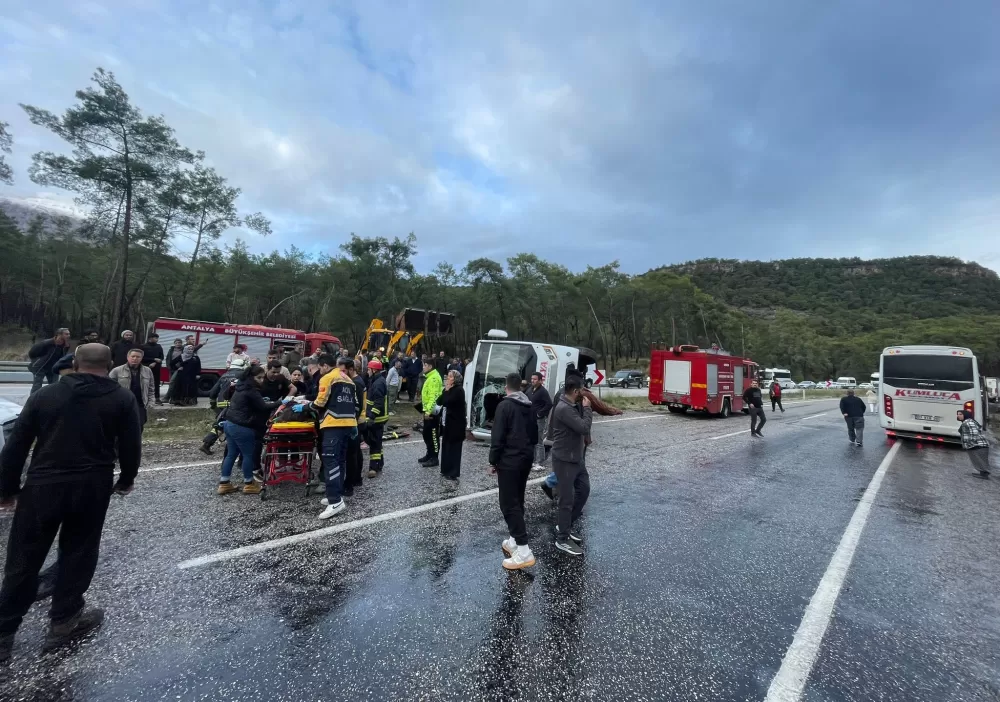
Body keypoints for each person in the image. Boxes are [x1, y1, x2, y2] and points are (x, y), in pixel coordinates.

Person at [0, 343, 141, 662]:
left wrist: (7, 489)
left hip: (43, 485)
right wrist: (127, 478)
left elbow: (16, 445)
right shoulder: (121, 398)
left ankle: (4, 630)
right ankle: (64, 621)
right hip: (92, 486)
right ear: (110, 364)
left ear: (75, 363)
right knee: (78, 552)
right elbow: (131, 444)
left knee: (23, 557)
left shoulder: (45, 395)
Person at [489, 372, 538, 570]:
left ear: (506, 387)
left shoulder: (505, 406)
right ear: (521, 387)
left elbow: (497, 437)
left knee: (508, 504)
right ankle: (514, 540)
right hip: (526, 458)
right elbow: (535, 435)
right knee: (518, 499)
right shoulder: (529, 405)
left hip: (509, 460)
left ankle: (524, 551)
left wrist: (493, 461)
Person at [300, 354, 358, 519]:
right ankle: (337, 494)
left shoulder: (327, 378)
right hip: (348, 424)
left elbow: (320, 402)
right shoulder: (348, 379)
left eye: (320, 368)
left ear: (324, 365)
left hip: (333, 424)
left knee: (330, 461)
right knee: (340, 461)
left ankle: (335, 501)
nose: (320, 371)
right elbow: (354, 403)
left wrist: (305, 407)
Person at [216, 365, 282, 495]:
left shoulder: (240, 387)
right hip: (242, 426)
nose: (262, 380)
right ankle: (249, 483)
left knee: (231, 454)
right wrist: (281, 402)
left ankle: (224, 483)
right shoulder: (251, 390)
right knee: (248, 455)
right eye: (259, 378)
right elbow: (263, 407)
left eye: (263, 377)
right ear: (251, 377)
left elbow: (250, 403)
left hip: (229, 424)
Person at [549, 374, 593, 556]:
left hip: (576, 458)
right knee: (566, 500)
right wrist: (588, 409)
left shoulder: (572, 404)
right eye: (581, 389)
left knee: (584, 490)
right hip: (565, 460)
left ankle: (565, 525)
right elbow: (583, 428)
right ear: (575, 391)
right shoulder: (564, 408)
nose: (583, 392)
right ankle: (562, 539)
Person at [202, 359, 246, 455]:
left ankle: (207, 443)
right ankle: (208, 444)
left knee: (221, 423)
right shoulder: (243, 375)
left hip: (222, 403)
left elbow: (213, 392)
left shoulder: (224, 375)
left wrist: (213, 403)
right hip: (233, 403)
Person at [109, 348, 154, 431]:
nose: (135, 358)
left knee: (139, 427)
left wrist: (151, 402)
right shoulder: (117, 370)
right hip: (123, 404)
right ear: (128, 357)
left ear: (141, 358)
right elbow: (109, 387)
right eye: (133, 356)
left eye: (138, 357)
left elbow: (151, 388)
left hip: (140, 404)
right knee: (122, 427)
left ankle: (137, 440)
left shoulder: (147, 371)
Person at [436, 369, 467, 481]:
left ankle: (453, 472)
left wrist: (447, 391)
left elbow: (448, 402)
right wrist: (445, 390)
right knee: (446, 447)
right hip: (446, 423)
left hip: (456, 424)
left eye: (450, 377)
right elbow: (439, 401)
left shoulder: (459, 390)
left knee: (454, 449)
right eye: (448, 376)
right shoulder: (448, 389)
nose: (447, 378)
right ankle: (445, 469)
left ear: (455, 379)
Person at [364, 359, 389, 479]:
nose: (367, 371)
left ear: (374, 370)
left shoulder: (378, 383)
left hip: (377, 419)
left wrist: (371, 417)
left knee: (374, 443)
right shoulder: (376, 380)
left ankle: (373, 468)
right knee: (377, 442)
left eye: (369, 369)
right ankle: (379, 463)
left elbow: (378, 403)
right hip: (377, 417)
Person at [28, 328, 71, 395]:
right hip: (40, 367)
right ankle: (33, 398)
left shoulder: (66, 345)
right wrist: (37, 362)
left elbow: (62, 356)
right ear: (59, 335)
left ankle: (53, 399)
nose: (68, 335)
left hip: (53, 367)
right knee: (37, 385)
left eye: (69, 334)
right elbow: (32, 353)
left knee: (54, 385)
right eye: (66, 334)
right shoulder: (46, 343)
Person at [418, 358, 444, 467]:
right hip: (427, 410)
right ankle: (429, 454)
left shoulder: (434, 378)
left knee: (433, 435)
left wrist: (428, 411)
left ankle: (434, 458)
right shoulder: (430, 377)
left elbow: (434, 396)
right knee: (426, 434)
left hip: (432, 412)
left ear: (430, 366)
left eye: (425, 365)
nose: (423, 367)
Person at [525, 372, 553, 471]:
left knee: (538, 440)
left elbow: (549, 404)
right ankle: (533, 460)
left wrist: (539, 414)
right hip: (530, 419)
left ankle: (539, 461)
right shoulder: (530, 390)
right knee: (531, 439)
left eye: (535, 379)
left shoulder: (543, 391)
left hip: (539, 420)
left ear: (540, 380)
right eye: (532, 379)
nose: (532, 380)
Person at [957, 409, 991, 477]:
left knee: (980, 460)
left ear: (965, 415)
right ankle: (982, 473)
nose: (958, 415)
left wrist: (969, 444)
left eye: (960, 414)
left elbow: (974, 434)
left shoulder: (968, 422)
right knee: (978, 460)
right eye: (958, 414)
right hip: (977, 445)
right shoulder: (968, 422)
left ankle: (984, 474)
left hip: (978, 445)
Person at [141, 333, 165, 405]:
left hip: (156, 367)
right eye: (155, 338)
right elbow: (142, 358)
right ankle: (144, 398)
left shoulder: (158, 346)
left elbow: (161, 357)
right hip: (146, 367)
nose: (157, 339)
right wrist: (153, 359)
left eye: (157, 338)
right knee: (145, 382)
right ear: (150, 338)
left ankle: (157, 398)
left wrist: (155, 362)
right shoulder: (143, 346)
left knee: (156, 383)